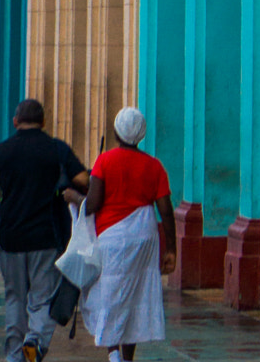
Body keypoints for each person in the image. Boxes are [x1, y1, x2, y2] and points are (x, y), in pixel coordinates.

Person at [0, 98, 89, 362]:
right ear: (44, 122)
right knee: (42, 299)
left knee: (14, 297)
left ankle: (13, 354)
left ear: (15, 122)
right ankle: (35, 340)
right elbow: (84, 180)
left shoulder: (2, 151)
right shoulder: (56, 149)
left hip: (10, 236)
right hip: (46, 236)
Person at [81, 107, 177, 359]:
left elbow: (92, 203)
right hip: (145, 236)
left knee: (109, 294)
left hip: (111, 237)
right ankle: (127, 357)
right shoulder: (154, 166)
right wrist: (171, 249)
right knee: (137, 293)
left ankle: (113, 354)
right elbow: (166, 210)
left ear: (116, 132)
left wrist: (73, 197)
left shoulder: (104, 161)